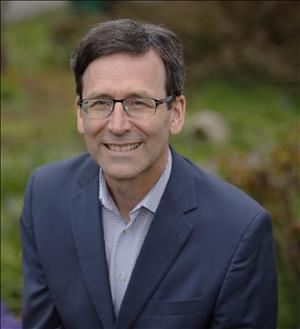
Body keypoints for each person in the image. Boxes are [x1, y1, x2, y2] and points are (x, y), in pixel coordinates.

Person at [20, 19, 278, 329]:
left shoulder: (239, 231)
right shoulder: (45, 196)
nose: (117, 126)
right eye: (100, 103)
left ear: (176, 113)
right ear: (79, 113)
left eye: (138, 103)